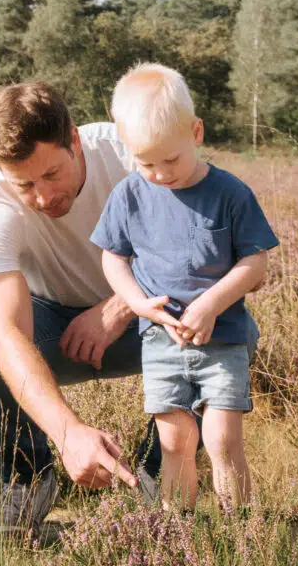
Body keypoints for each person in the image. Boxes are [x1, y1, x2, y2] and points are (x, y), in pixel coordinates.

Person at [0, 81, 148, 536]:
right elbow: (5, 335)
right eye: (24, 184)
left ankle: (155, 484)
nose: (43, 198)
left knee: (220, 326)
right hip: (53, 326)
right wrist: (69, 434)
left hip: (146, 315)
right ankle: (30, 478)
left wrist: (118, 307)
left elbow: (201, 254)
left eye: (53, 174)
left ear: (75, 141)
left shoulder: (131, 154)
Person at [91, 63, 278, 509]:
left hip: (223, 338)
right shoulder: (129, 195)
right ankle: (183, 538)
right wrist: (137, 303)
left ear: (196, 132)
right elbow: (112, 256)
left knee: (221, 440)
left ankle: (242, 534)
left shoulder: (231, 194)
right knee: (174, 442)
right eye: (145, 162)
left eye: (169, 160)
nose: (159, 173)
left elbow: (257, 263)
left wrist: (212, 303)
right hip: (161, 340)